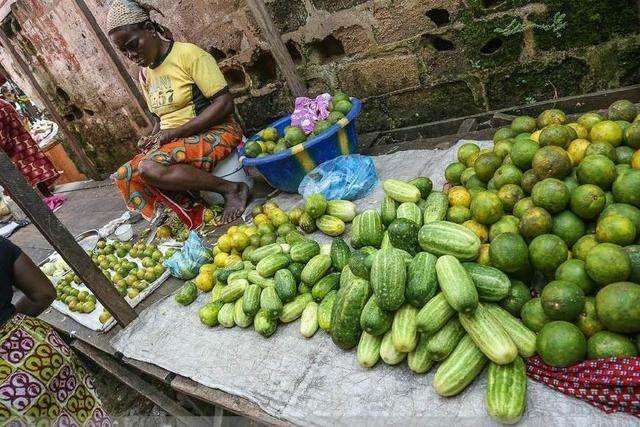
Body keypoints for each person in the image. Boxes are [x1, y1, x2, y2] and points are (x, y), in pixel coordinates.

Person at [106, 0, 248, 228]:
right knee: (124, 175)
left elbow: (224, 104)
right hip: (178, 140)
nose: (131, 55)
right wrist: (154, 136)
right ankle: (193, 211)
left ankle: (231, 188)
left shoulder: (189, 55)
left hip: (216, 131)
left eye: (133, 45)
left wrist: (175, 133)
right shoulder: (145, 75)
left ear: (150, 29)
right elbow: (160, 119)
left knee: (150, 167)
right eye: (125, 51)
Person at [0, 237, 110, 425]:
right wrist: (10, 323)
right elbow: (43, 293)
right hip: (41, 351)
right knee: (87, 417)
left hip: (9, 391)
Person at [0, 98, 59, 198]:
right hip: (24, 145)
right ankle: (48, 197)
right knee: (36, 174)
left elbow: (3, 141)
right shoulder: (3, 103)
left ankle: (46, 202)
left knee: (27, 179)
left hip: (16, 153)